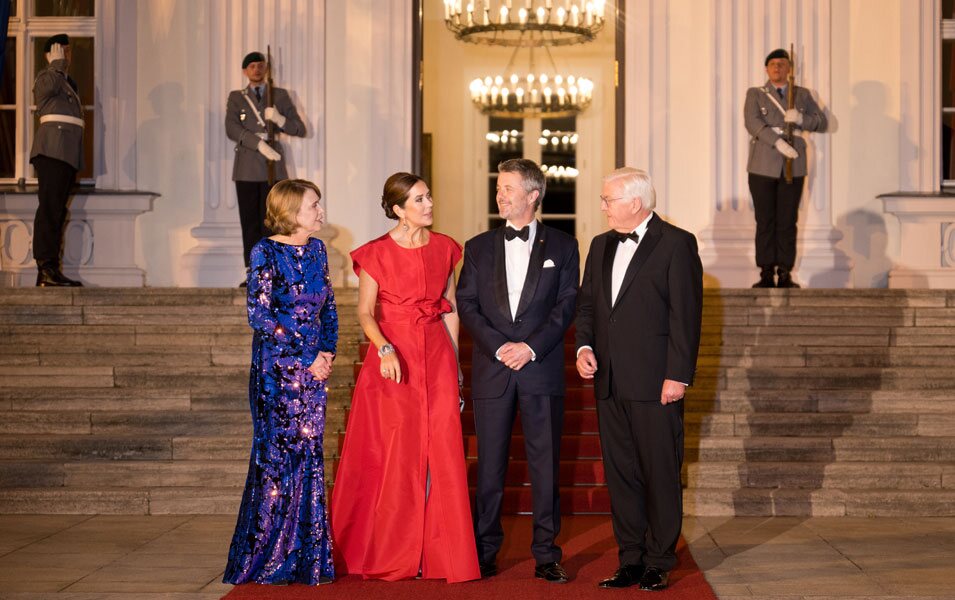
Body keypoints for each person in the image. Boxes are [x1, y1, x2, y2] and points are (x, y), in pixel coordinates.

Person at [330, 173, 480, 583]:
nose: (429, 204)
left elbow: (449, 307)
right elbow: (364, 312)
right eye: (419, 199)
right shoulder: (375, 253)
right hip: (393, 358)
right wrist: (383, 347)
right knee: (397, 450)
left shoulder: (446, 248)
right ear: (397, 209)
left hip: (437, 354)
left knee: (443, 449)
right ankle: (393, 549)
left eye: (429, 195)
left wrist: (456, 363)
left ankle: (440, 554)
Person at [575, 168, 703, 592]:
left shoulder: (676, 243)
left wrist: (678, 376)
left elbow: (685, 317)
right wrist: (584, 348)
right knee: (622, 474)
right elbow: (589, 307)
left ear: (635, 202)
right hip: (609, 381)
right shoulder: (599, 245)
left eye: (608, 199)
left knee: (659, 472)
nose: (603, 207)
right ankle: (630, 557)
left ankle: (660, 559)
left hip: (656, 384)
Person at [457, 158, 579, 583]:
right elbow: (466, 305)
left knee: (545, 466)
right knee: (489, 465)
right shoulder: (477, 246)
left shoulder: (564, 246)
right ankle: (485, 550)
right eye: (498, 187)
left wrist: (528, 347)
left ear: (533, 195)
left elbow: (566, 307)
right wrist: (499, 348)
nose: (500, 195)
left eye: (508, 188)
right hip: (493, 370)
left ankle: (547, 553)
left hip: (540, 369)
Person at [224, 179, 338, 586]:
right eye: (314, 206)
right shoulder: (265, 251)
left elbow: (328, 307)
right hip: (277, 372)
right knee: (277, 460)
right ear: (291, 211)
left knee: (309, 456)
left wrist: (327, 354)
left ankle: (306, 558)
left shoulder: (319, 251)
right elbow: (259, 315)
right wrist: (307, 356)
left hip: (312, 374)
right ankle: (267, 557)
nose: (321, 212)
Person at [745, 47, 828, 288]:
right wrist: (778, 142)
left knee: (787, 220)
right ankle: (765, 270)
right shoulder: (756, 94)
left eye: (782, 64)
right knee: (765, 220)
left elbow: (821, 122)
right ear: (766, 69)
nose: (777, 68)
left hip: (794, 164)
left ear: (789, 69)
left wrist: (802, 120)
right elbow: (752, 122)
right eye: (773, 64)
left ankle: (784, 271)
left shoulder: (801, 94)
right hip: (763, 164)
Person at [226, 51, 306, 282]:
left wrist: (280, 120)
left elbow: (299, 129)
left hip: (274, 169)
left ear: (266, 69)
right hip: (247, 167)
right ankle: (253, 272)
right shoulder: (237, 97)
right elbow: (231, 128)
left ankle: (274, 271)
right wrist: (258, 144)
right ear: (245, 71)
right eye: (252, 66)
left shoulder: (278, 95)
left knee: (274, 221)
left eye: (260, 66)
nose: (257, 70)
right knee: (250, 222)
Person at [31, 33, 83, 287]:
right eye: (62, 50)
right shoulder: (46, 77)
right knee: (50, 210)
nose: (67, 56)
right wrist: (54, 66)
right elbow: (42, 92)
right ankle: (45, 268)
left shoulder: (65, 82)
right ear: (50, 53)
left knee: (58, 210)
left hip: (65, 153)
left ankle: (52, 268)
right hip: (52, 151)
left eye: (69, 51)